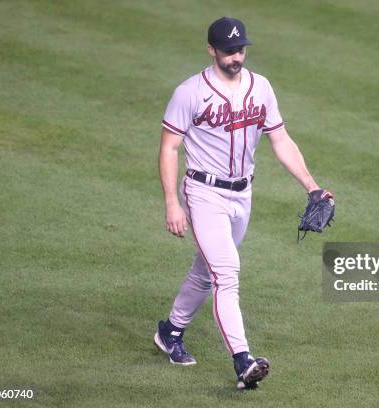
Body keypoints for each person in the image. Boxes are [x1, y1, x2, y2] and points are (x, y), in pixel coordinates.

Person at [154, 16, 332, 390]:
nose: (237, 56)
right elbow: (169, 147)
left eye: (241, 49)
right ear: (211, 50)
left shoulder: (260, 87)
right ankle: (243, 361)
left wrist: (312, 187)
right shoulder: (189, 92)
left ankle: (169, 331)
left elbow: (280, 140)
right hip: (203, 193)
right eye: (229, 50)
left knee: (207, 271)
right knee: (226, 273)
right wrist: (172, 202)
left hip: (242, 195)